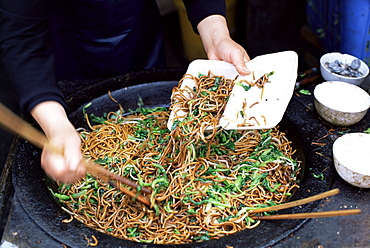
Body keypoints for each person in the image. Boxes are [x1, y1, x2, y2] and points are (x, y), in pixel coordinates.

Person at [0, 0, 250, 183]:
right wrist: (57, 126)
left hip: (137, 32)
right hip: (64, 54)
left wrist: (217, 36)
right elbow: (20, 35)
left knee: (150, 109)